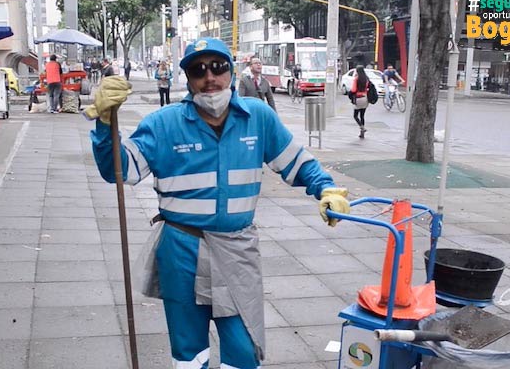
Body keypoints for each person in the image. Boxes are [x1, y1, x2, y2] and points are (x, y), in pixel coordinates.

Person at [83, 37, 350, 369]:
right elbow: (118, 170)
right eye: (198, 70)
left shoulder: (258, 117)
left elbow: (297, 163)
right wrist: (105, 123)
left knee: (243, 346)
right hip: (181, 248)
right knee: (189, 349)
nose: (209, 77)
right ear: (188, 78)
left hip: (237, 249)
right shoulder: (163, 124)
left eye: (218, 67)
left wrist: (326, 189)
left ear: (232, 72)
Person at [351, 65, 371, 139]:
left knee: (355, 116)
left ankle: (362, 127)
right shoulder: (366, 79)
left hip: (358, 98)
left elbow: (353, 90)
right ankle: (362, 134)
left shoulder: (357, 79)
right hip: (365, 98)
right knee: (362, 116)